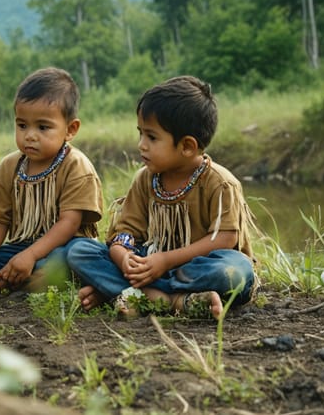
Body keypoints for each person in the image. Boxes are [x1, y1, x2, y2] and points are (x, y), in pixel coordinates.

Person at [67, 76, 256, 319]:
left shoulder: (220, 183)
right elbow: (125, 233)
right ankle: (171, 301)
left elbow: (225, 239)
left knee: (233, 271)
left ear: (187, 146)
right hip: (149, 264)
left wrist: (165, 261)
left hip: (194, 268)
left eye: (152, 137)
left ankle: (126, 292)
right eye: (140, 134)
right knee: (80, 251)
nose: (141, 145)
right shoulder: (145, 179)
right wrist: (124, 258)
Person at [0, 68, 104, 298]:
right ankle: (3, 280)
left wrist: (31, 256)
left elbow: (69, 224)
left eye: (43, 127)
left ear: (70, 129)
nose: (30, 135)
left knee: (73, 257)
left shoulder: (76, 166)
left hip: (63, 248)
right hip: (21, 249)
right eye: (22, 125)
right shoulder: (10, 166)